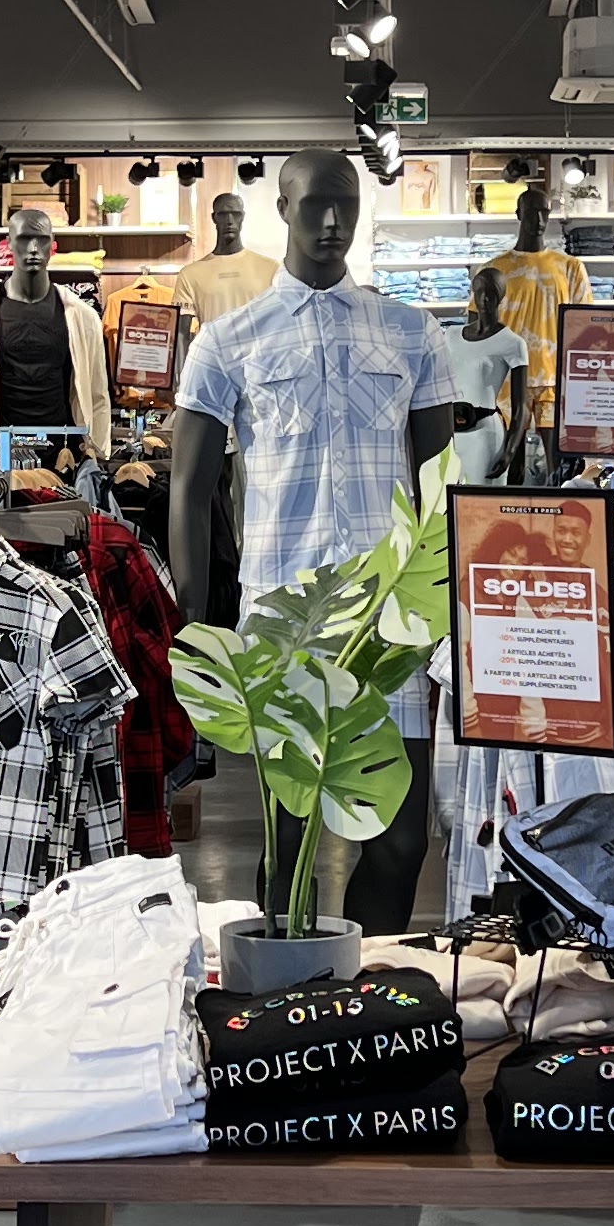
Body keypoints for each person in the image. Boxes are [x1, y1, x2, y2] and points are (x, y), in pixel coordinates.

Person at [170, 149, 457, 931]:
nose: (331, 223)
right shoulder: (228, 341)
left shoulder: (412, 334)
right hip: (282, 617)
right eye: (313, 206)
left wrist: (450, 613)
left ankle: (369, 985)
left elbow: (442, 489)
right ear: (283, 210)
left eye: (346, 205)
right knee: (288, 844)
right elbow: (189, 489)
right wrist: (190, 625)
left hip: (388, 620)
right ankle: (289, 992)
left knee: (401, 840)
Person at [0, 204, 113, 443]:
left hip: (63, 453)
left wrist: (96, 453)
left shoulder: (83, 317)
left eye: (42, 240)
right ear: (9, 243)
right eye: (24, 239)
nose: (33, 249)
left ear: (53, 244)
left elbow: (98, 395)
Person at [483, 180, 584, 447]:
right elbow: (478, 327)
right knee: (509, 458)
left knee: (558, 458)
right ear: (519, 214)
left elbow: (585, 328)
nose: (539, 220)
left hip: (555, 379)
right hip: (507, 379)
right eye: (531, 212)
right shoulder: (495, 269)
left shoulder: (570, 268)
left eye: (544, 213)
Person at [441, 263, 531, 481]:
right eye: (479, 292)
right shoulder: (451, 336)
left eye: (491, 293)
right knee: (447, 497)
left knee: (480, 497)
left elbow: (521, 407)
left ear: (501, 297)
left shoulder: (512, 343)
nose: (484, 299)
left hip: (484, 435)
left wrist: (510, 451)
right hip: (450, 431)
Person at [176, 184, 276, 334]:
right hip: (212, 349)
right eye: (223, 214)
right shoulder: (190, 274)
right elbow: (181, 334)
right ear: (214, 218)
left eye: (235, 214)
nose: (229, 220)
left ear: (242, 217)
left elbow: (282, 323)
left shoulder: (270, 269)